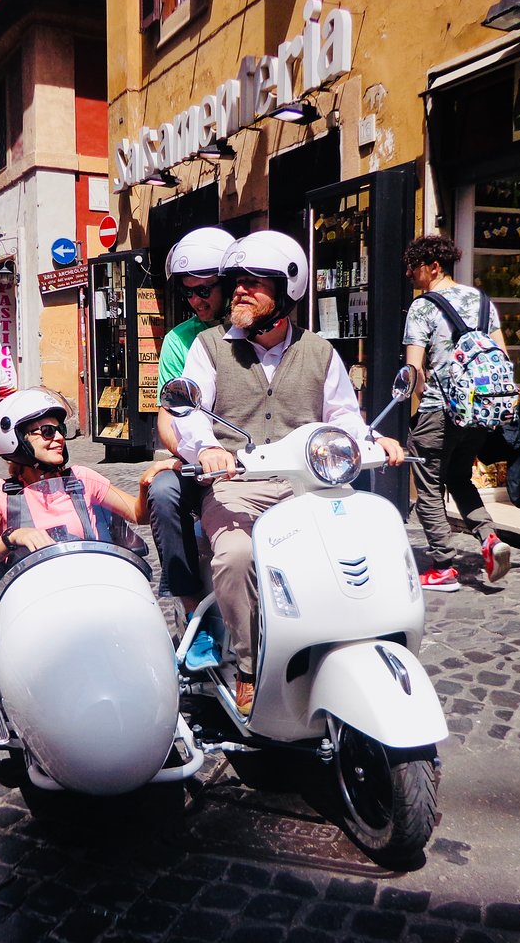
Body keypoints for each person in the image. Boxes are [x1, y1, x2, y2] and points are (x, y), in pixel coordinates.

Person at [172, 231, 406, 715]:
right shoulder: (211, 348)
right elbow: (190, 410)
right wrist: (210, 448)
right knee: (235, 556)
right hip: (237, 486)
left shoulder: (320, 352)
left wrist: (373, 440)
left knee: (358, 548)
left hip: (311, 485)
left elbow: (343, 417)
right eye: (236, 281)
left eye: (255, 282)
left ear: (286, 292)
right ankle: (248, 665)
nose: (239, 290)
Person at [402, 234, 512, 591]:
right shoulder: (482, 301)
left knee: (428, 486)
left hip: (439, 411)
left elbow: (413, 370)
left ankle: (443, 566)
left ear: (434, 267)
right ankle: (489, 539)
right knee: (459, 478)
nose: (409, 274)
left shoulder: (422, 307)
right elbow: (502, 355)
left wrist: (421, 398)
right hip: (478, 413)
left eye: (413, 267)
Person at [0, 389, 177, 573]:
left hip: (90, 587)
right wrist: (13, 537)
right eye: (47, 432)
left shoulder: (81, 479)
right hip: (32, 602)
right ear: (16, 439)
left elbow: (138, 515)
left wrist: (146, 484)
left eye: (60, 430)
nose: (59, 438)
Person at [149, 227, 235, 631]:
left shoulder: (256, 332)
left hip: (253, 458)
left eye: (205, 290)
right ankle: (190, 608)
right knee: (163, 493)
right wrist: (189, 453)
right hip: (201, 461)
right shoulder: (179, 342)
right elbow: (168, 413)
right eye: (190, 292)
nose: (197, 300)